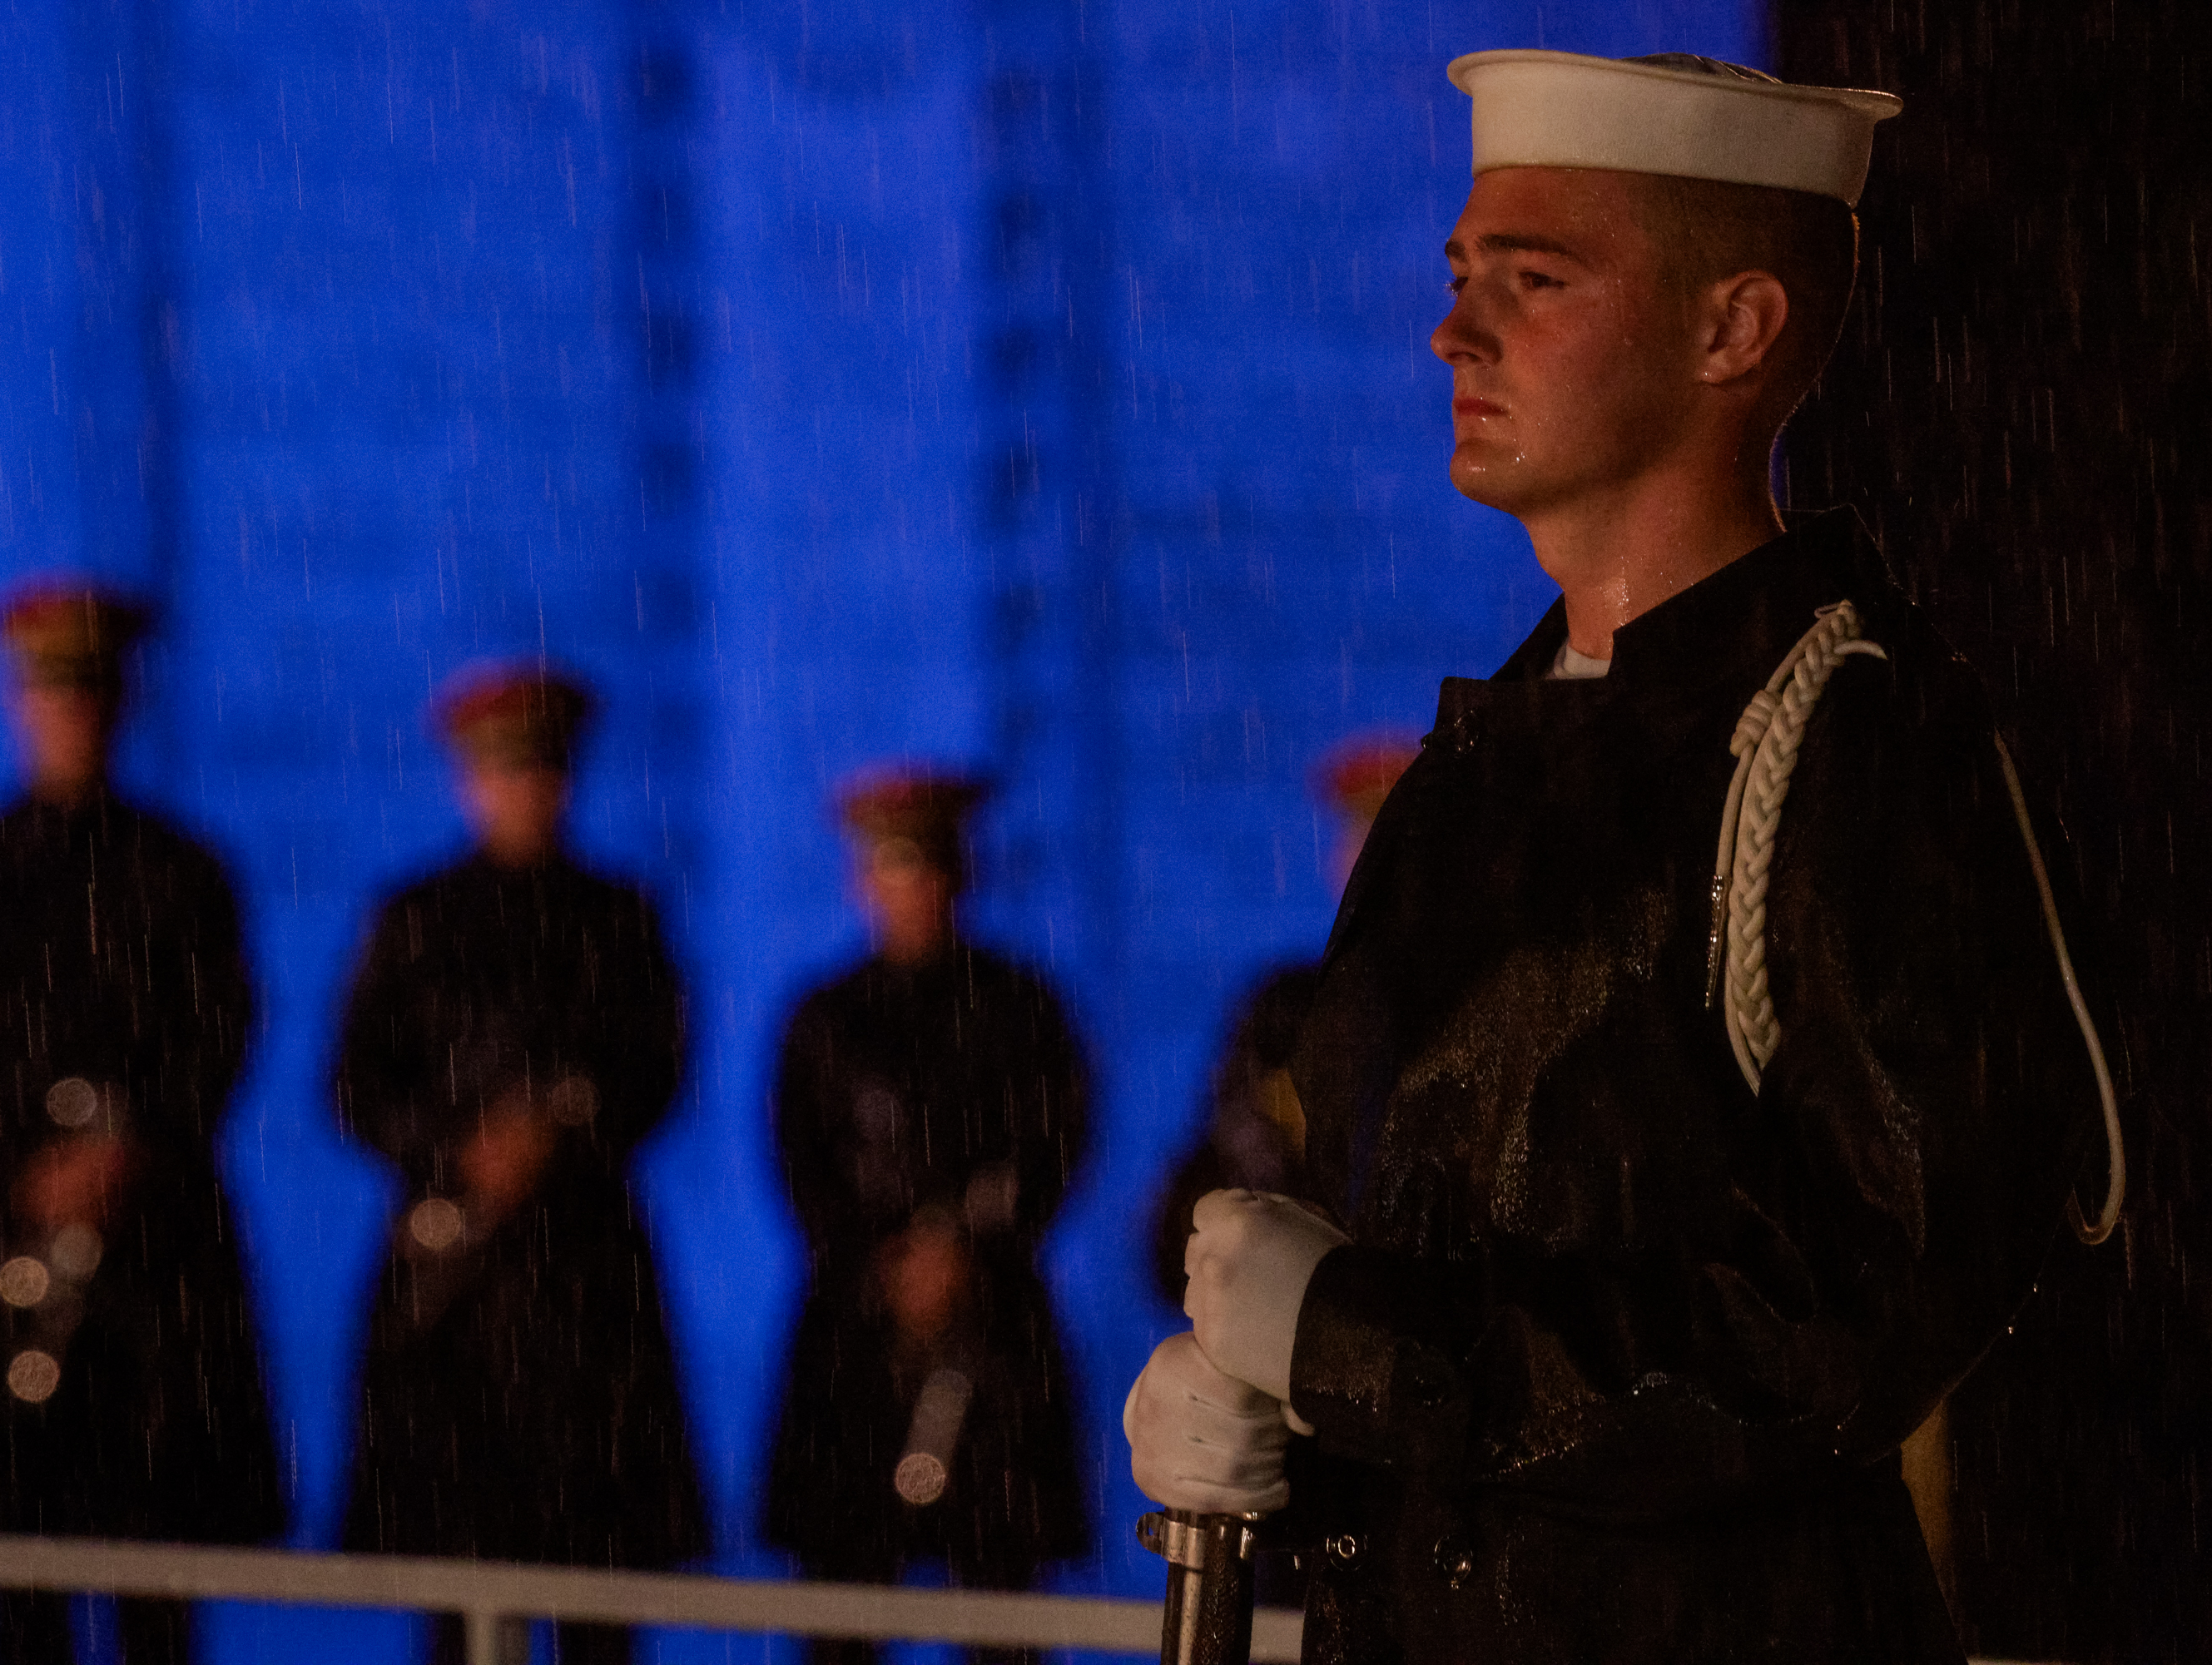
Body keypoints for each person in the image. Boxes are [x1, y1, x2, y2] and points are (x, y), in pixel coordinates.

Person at [1123, 51, 2122, 1663]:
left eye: (1535, 280)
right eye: (1461, 278)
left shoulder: (1863, 748)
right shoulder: (1473, 767)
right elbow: (1464, 1306)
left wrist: (1355, 1346)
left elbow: (1846, 1320)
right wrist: (1277, 1414)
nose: (1455, 332)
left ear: (1735, 330)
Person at [0, 578, 282, 1665]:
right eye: (52, 693)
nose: (73, 713)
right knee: (20, 1570)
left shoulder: (184, 872)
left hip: (157, 1259)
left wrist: (126, 1150)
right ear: (21, 704)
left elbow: (221, 1034)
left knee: (158, 1576)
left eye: (91, 692)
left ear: (121, 703)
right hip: (5, 1230)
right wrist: (28, 1149)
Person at [333, 663, 702, 1665]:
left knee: (595, 1598)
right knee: (454, 1596)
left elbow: (660, 1071)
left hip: (585, 1296)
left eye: (541, 770)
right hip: (450, 1298)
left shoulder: (619, 921)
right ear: (469, 781)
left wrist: (560, 1137)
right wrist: (460, 1146)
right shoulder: (416, 920)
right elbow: (354, 1086)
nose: (524, 791)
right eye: (503, 771)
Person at [765, 769, 1093, 1665]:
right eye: (894, 870)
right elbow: (801, 1166)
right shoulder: (825, 1021)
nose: (913, 892)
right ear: (861, 880)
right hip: (855, 1345)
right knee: (842, 1612)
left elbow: (1056, 1144)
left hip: (993, 1340)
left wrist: (969, 1253)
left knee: (1002, 1615)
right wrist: (886, 1262)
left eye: (930, 869)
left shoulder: (1024, 1011)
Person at [1148, 736, 1420, 1306]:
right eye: (1360, 843)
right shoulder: (1284, 1010)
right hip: (1288, 1299)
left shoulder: (1466, 1012)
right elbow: (1220, 1163)